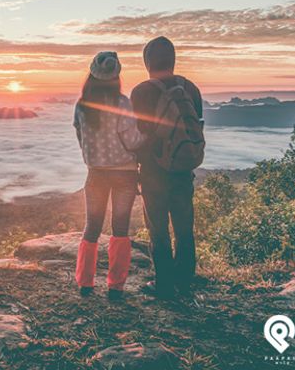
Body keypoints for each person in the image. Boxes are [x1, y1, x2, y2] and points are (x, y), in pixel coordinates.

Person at [130, 36, 204, 299]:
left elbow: (138, 134)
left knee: (158, 227)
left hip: (153, 171)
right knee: (184, 226)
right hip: (183, 169)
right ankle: (184, 279)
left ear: (148, 62)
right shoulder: (190, 88)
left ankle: (164, 284)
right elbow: (197, 127)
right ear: (173, 59)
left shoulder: (141, 92)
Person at [73, 51, 145, 300]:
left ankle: (85, 283)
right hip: (124, 174)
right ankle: (116, 286)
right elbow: (133, 141)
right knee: (120, 228)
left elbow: (81, 138)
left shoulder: (82, 106)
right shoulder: (122, 104)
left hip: (95, 174)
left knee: (91, 227)